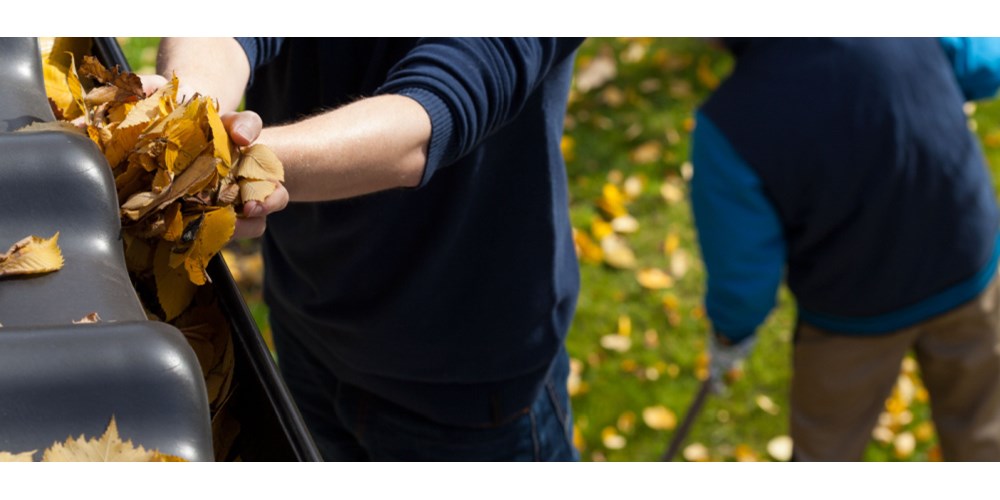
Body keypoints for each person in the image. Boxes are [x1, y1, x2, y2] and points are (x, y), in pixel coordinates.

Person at [155, 38, 584, 461]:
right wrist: (184, 118)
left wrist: (227, 159)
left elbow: (429, 115)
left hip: (462, 386)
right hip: (308, 325)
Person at [692, 38, 1000, 461]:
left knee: (827, 447)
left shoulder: (729, 123)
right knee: (983, 425)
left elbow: (743, 274)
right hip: (966, 269)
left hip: (851, 314)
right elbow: (985, 68)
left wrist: (732, 333)